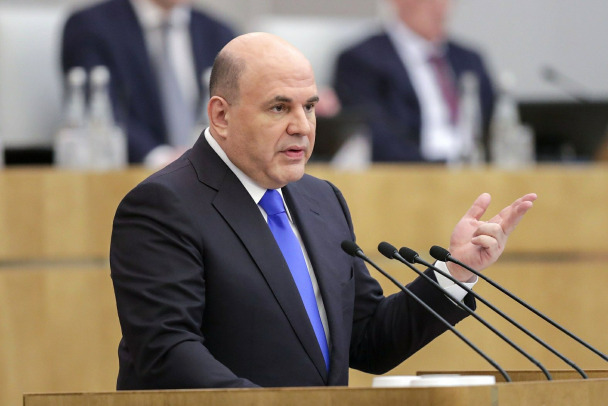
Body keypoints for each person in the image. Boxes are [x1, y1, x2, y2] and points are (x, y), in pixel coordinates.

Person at [109, 32, 536, 389]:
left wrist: (455, 273)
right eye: (279, 108)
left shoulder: (321, 200)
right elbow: (167, 353)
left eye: (309, 107)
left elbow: (367, 340)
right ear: (221, 115)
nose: (302, 126)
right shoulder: (163, 206)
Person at [61, 0, 235, 167]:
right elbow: (100, 109)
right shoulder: (90, 26)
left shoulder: (220, 33)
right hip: (132, 174)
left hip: (211, 174)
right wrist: (160, 158)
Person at [333, 0, 495, 162]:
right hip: (410, 169)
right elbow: (377, 134)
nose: (437, 5)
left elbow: (492, 122)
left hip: (474, 167)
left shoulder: (469, 60)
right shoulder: (363, 59)